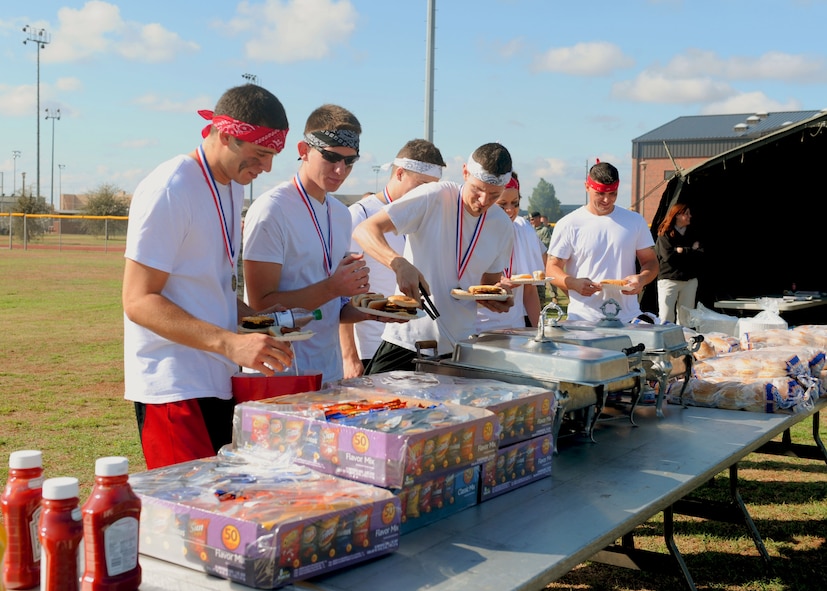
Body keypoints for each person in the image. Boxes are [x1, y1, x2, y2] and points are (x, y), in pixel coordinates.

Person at [122, 84, 294, 470]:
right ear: (227, 135)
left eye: (272, 156)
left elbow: (206, 287)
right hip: (174, 386)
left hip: (216, 377)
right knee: (189, 518)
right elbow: (137, 301)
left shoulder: (230, 186)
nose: (266, 168)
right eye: (261, 153)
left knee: (221, 511)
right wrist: (231, 344)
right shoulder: (171, 188)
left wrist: (258, 321)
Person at [353, 142, 516, 374]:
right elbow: (364, 230)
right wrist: (398, 263)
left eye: (493, 195)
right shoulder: (434, 196)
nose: (483, 201)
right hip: (409, 341)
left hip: (459, 347)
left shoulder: (502, 225)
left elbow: (486, 287)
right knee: (375, 406)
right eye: (477, 190)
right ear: (465, 172)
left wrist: (499, 297)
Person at [242, 104, 376, 384]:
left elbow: (334, 309)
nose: (341, 170)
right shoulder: (271, 209)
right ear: (304, 150)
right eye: (330, 157)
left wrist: (373, 312)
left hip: (328, 371)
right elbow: (259, 305)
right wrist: (332, 287)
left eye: (350, 161)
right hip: (278, 371)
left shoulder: (339, 213)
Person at [340, 139, 446, 378]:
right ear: (399, 173)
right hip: (371, 347)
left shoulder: (426, 216)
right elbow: (341, 293)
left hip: (414, 343)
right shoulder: (360, 214)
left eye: (433, 188)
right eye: (422, 185)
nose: (427, 194)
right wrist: (349, 357)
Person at [545, 160, 658, 323]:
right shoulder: (569, 223)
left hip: (627, 317)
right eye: (600, 193)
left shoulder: (635, 221)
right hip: (584, 318)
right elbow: (551, 268)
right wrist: (573, 283)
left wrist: (642, 279)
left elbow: (651, 262)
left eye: (613, 193)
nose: (607, 200)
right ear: (587, 187)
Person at [476, 171, 544, 331]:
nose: (510, 210)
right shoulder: (472, 230)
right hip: (478, 327)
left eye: (515, 203)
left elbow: (529, 291)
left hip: (515, 328)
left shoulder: (523, 229)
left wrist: (540, 333)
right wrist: (492, 284)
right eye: (502, 204)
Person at [655, 203, 703, 325]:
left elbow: (700, 255)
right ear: (677, 215)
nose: (689, 216)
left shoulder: (694, 232)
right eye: (686, 214)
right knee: (666, 316)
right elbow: (668, 256)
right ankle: (665, 342)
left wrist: (681, 250)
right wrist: (690, 250)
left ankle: (684, 342)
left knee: (686, 318)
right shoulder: (664, 233)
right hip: (669, 280)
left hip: (689, 281)